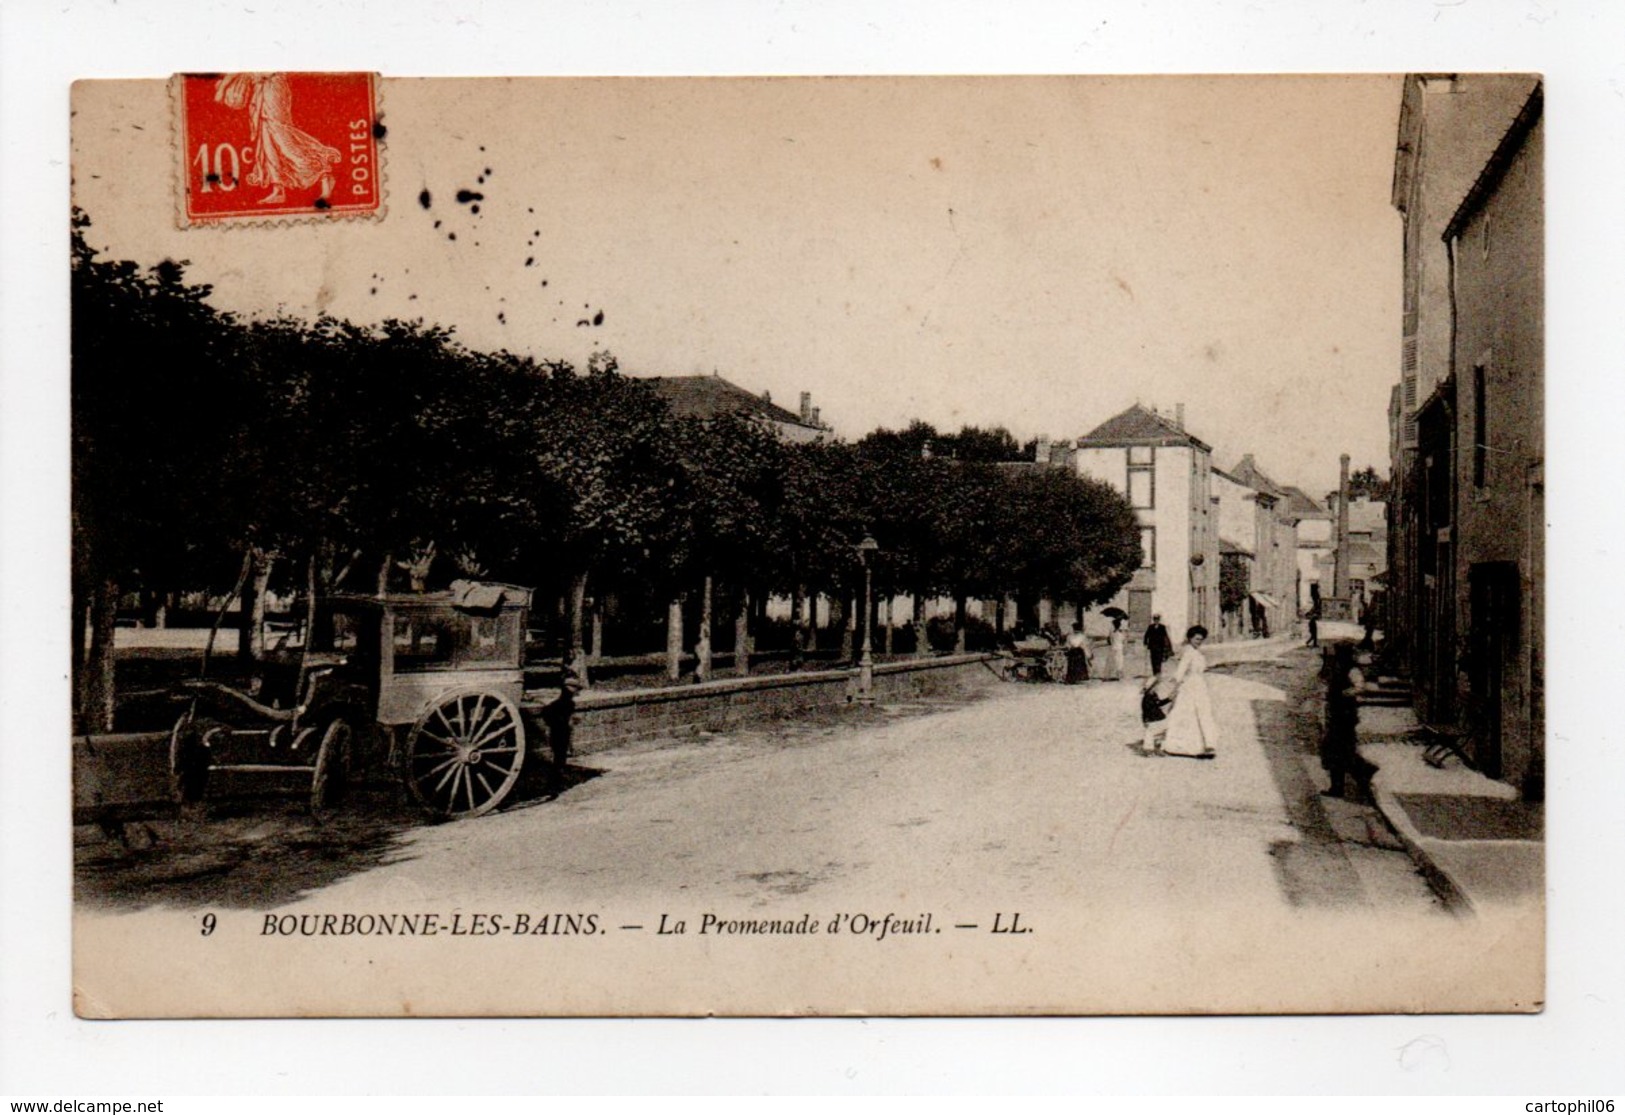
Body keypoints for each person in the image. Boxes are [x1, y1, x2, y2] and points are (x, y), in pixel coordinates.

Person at [214, 72, 340, 204]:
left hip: (273, 87)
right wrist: (224, 87)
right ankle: (278, 190)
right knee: (266, 140)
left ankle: (324, 175)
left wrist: (223, 88)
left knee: (283, 139)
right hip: (261, 90)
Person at [1161, 625, 1219, 759]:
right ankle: (1181, 746)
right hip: (1190, 686)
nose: (1198, 642)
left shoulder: (1197, 652)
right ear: (1190, 638)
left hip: (1200, 685)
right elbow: (1180, 671)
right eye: (1196, 639)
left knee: (1202, 712)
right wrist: (1175, 686)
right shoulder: (1188, 652)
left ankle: (1203, 744)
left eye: (1201, 640)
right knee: (1187, 712)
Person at [1320, 645, 1370, 798]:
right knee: (1336, 751)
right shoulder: (1338, 668)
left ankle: (1345, 784)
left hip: (1345, 716)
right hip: (1336, 715)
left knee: (1340, 751)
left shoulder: (1352, 670)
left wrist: (1344, 694)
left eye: (1338, 654)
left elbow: (1360, 687)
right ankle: (1341, 785)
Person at [1139, 674, 1174, 756]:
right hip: (1154, 719)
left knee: (1154, 733)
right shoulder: (1147, 698)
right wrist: (1145, 720)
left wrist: (1169, 699)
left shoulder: (1152, 695)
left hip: (1158, 719)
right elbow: (1146, 710)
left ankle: (1155, 748)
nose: (1157, 688)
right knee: (1151, 733)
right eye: (1156, 686)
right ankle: (1151, 749)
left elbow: (1158, 703)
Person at [1107, 615, 1128, 680]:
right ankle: (1119, 674)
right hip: (1119, 647)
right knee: (1120, 660)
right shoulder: (1121, 633)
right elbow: (1124, 641)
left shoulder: (1112, 633)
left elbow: (1109, 640)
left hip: (1113, 647)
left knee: (1114, 660)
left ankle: (1114, 674)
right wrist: (1125, 647)